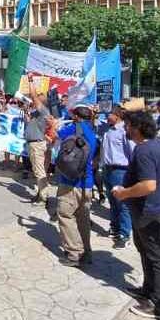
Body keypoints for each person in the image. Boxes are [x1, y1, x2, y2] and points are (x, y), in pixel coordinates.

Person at [112, 110, 160, 320]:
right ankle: (147, 290)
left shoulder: (144, 150)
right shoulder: (157, 144)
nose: (125, 129)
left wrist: (124, 193)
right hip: (146, 211)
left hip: (149, 212)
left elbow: (148, 185)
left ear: (137, 128)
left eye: (128, 125)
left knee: (156, 256)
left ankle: (158, 304)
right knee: (146, 252)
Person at [49, 105, 97, 268]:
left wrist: (53, 124)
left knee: (65, 215)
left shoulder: (73, 128)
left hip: (70, 182)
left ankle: (74, 253)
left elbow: (52, 136)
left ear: (76, 116)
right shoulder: (92, 131)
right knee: (83, 219)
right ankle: (87, 252)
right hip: (87, 182)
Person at [100, 106, 134, 248]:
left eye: (109, 114)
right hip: (107, 169)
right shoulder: (108, 130)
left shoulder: (124, 131)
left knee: (123, 203)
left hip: (120, 170)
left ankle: (124, 235)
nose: (106, 116)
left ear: (117, 116)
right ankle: (115, 227)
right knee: (112, 201)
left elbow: (132, 151)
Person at [23, 80, 52, 204]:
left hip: (37, 144)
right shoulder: (37, 113)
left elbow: (33, 96)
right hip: (33, 144)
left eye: (40, 96)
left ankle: (43, 198)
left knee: (40, 171)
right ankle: (40, 193)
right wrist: (27, 116)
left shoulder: (44, 111)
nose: (36, 97)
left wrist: (30, 80)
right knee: (38, 170)